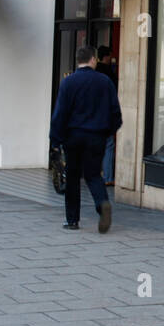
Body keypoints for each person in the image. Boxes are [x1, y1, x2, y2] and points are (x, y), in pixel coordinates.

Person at [50, 45, 122, 233]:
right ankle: (102, 203)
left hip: (73, 137)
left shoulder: (68, 82)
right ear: (93, 60)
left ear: (78, 60)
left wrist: (55, 141)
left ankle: (72, 220)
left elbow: (60, 114)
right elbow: (116, 113)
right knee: (92, 174)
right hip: (96, 136)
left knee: (73, 177)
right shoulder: (105, 82)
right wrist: (107, 132)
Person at [96, 45, 118, 187]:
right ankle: (108, 177)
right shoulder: (108, 72)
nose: (111, 59)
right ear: (106, 56)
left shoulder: (93, 70)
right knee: (109, 144)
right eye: (110, 56)